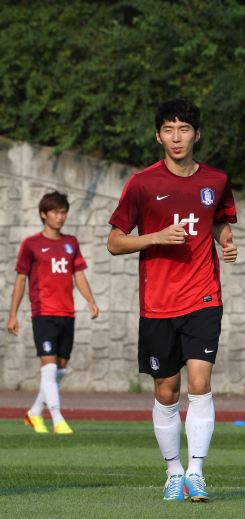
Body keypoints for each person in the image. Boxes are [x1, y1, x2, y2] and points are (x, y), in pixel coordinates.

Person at [107, 97, 237, 502]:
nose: (176, 137)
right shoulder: (142, 182)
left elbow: (217, 221)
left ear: (196, 134)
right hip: (158, 304)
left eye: (183, 129)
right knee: (167, 392)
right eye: (168, 129)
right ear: (158, 135)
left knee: (200, 383)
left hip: (203, 297)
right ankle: (173, 472)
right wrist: (155, 237)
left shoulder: (216, 180)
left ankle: (196, 473)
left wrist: (226, 241)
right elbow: (114, 242)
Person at [7, 191, 99, 434]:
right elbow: (20, 280)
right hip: (43, 313)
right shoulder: (31, 244)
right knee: (48, 369)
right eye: (55, 212)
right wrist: (13, 314)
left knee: (59, 370)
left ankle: (34, 413)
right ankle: (58, 420)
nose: (60, 216)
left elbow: (78, 274)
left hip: (67, 314)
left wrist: (90, 299)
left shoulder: (71, 243)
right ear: (43, 214)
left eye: (63, 212)